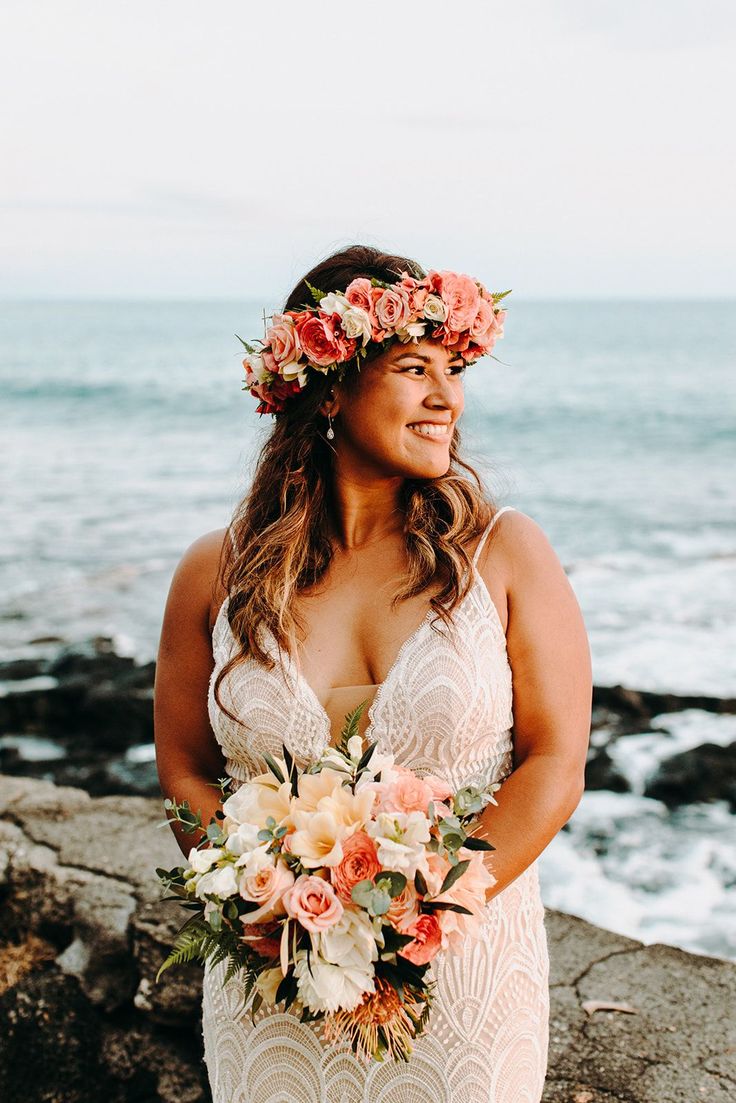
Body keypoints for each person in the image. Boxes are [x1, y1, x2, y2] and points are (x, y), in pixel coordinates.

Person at [154, 244, 592, 1102]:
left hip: (462, 991)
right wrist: (262, 899)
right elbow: (184, 768)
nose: (447, 397)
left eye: (454, 370)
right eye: (413, 368)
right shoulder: (216, 572)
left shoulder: (505, 553)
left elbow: (555, 760)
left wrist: (426, 902)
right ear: (330, 388)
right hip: (272, 998)